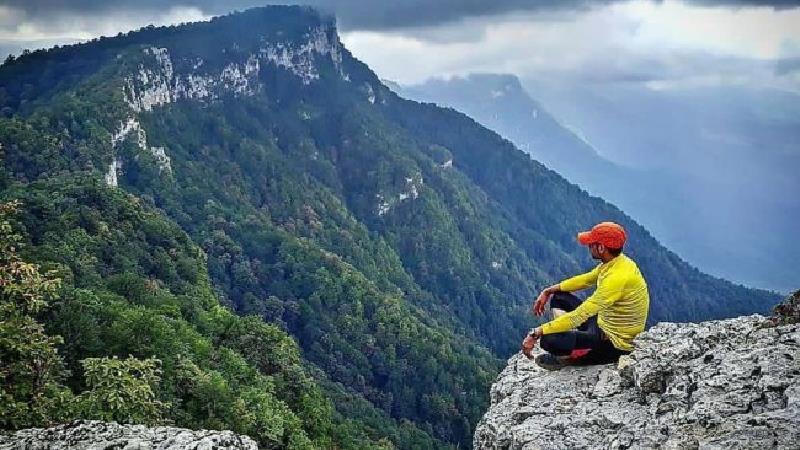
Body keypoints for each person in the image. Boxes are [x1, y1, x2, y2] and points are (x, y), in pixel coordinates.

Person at [521, 221, 649, 370]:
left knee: (548, 340)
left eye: (591, 243)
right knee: (559, 297)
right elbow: (587, 279)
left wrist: (536, 333)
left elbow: (578, 316)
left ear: (601, 248)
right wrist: (549, 290)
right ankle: (572, 342)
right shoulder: (618, 262)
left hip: (615, 345)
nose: (588, 246)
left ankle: (572, 358)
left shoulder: (617, 278)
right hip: (603, 325)